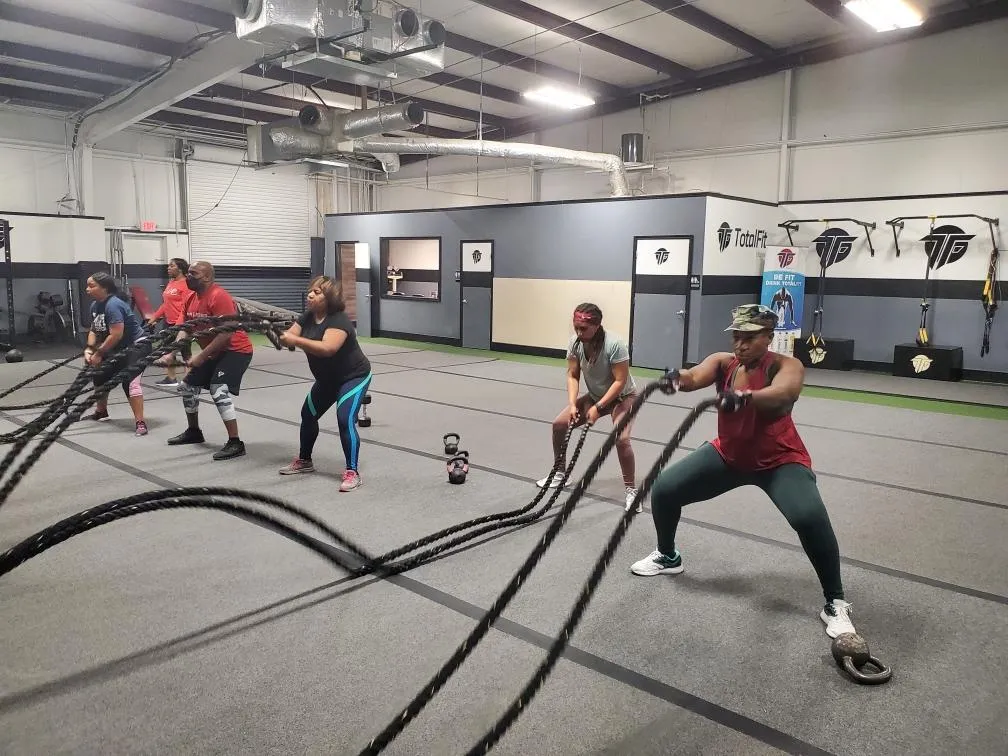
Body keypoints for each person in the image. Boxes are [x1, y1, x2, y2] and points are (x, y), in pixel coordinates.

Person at [629, 303, 856, 639]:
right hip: (730, 456)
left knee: (809, 516)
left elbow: (785, 394)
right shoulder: (725, 363)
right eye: (737, 336)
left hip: (778, 461)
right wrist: (676, 379)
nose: (741, 344)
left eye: (749, 337)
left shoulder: (786, 365)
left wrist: (747, 397)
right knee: (664, 489)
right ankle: (668, 555)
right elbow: (694, 376)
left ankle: (835, 602)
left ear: (768, 336)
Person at [536, 302, 640, 511]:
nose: (578, 332)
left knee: (622, 439)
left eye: (583, 328)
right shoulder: (575, 343)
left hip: (622, 397)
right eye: (576, 327)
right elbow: (573, 374)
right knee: (559, 425)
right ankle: (561, 473)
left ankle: (631, 490)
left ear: (597, 325)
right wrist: (573, 404)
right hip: (595, 395)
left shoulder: (615, 344)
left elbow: (620, 382)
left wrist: (598, 407)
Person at [277, 276, 372, 492]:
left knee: (344, 419)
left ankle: (352, 471)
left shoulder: (339, 320)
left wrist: (295, 341)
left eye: (317, 292)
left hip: (353, 377)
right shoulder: (308, 317)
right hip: (327, 380)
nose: (310, 294)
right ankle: (304, 461)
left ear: (329, 297)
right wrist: (279, 335)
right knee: (308, 415)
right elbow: (291, 336)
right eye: (310, 291)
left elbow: (327, 348)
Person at [167, 261, 253, 461]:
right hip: (214, 352)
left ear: (206, 277)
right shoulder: (190, 297)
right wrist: (173, 351)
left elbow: (227, 333)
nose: (188, 277)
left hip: (236, 350)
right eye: (187, 273)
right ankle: (194, 431)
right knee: (187, 387)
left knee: (218, 388)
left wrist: (200, 357)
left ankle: (235, 443)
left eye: (193, 273)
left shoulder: (219, 296)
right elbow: (185, 327)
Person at [83, 271, 148, 436]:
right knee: (99, 375)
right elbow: (93, 330)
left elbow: (116, 334)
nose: (87, 289)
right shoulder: (95, 305)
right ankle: (101, 411)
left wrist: (98, 353)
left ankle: (140, 422)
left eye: (91, 286)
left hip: (136, 347)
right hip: (117, 348)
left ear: (104, 288)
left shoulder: (113, 305)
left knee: (130, 382)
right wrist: (90, 349)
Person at [145, 257, 192, 387]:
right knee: (167, 350)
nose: (168, 268)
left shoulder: (186, 284)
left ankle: (189, 380)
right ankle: (171, 378)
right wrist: (154, 318)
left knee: (185, 352)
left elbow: (186, 307)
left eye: (172, 266)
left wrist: (179, 326)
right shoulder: (171, 283)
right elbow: (165, 305)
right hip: (169, 322)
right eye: (168, 266)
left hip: (181, 324)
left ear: (181, 269)